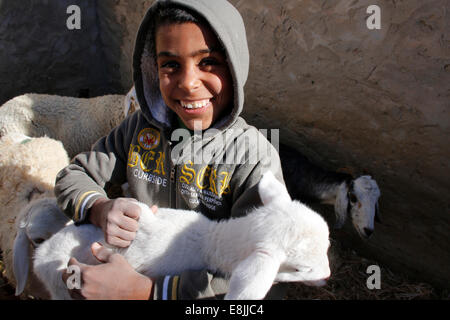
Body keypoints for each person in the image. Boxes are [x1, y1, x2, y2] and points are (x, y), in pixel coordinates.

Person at [56, 0, 287, 300]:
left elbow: (256, 269)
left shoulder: (253, 159)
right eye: (171, 65)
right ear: (153, 69)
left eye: (208, 62)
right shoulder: (139, 129)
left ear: (234, 65)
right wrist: (99, 209)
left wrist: (148, 292)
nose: (188, 83)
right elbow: (73, 175)